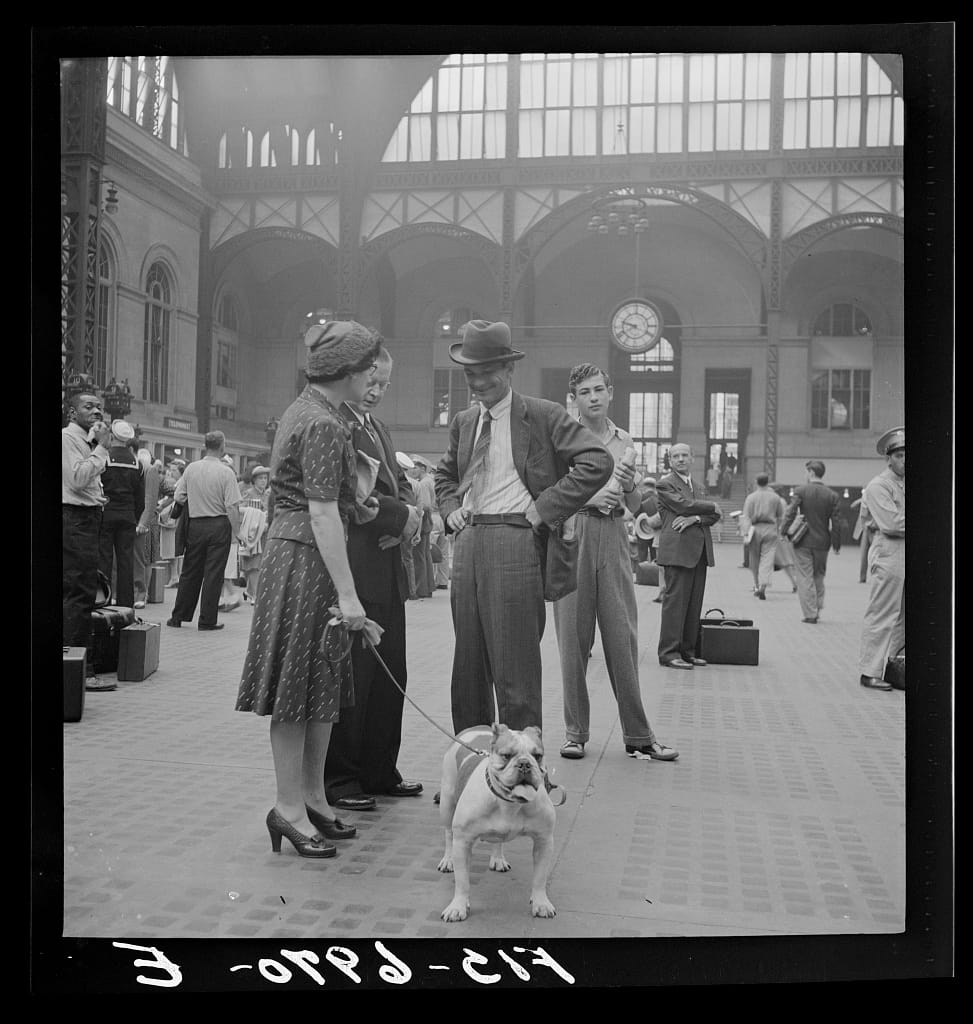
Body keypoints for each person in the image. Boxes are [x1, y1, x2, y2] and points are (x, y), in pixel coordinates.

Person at [236, 320, 382, 857]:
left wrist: (354, 502)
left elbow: (318, 499)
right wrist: (350, 597)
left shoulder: (311, 411)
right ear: (347, 370)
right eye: (368, 367)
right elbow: (319, 513)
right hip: (306, 560)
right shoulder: (324, 423)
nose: (372, 376)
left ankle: (314, 798)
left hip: (298, 556)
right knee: (297, 689)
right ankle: (288, 807)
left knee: (318, 686)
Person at [434, 319, 612, 733]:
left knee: (515, 664)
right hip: (469, 545)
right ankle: (475, 765)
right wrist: (449, 509)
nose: (477, 383)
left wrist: (545, 507)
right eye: (470, 374)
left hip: (516, 542)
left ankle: (522, 771)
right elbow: (444, 476)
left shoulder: (543, 415)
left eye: (486, 373)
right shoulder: (464, 422)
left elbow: (597, 462)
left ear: (509, 370)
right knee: (468, 665)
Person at [553, 364, 678, 762]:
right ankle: (575, 733)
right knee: (573, 638)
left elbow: (638, 503)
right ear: (574, 398)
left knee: (623, 635)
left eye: (598, 390)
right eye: (584, 391)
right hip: (573, 536)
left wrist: (627, 486)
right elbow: (546, 492)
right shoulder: (560, 436)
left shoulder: (625, 440)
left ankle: (638, 735)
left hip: (613, 538)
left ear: (610, 392)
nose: (592, 397)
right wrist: (589, 499)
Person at [324, 345, 425, 811]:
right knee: (353, 678)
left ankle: (380, 770)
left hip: (387, 572)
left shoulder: (378, 428)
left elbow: (401, 489)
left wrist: (406, 517)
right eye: (372, 383)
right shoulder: (334, 425)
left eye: (385, 384)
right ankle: (342, 779)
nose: (377, 392)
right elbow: (352, 497)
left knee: (391, 675)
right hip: (354, 569)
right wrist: (403, 518)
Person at [62, 389, 116, 692]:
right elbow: (78, 478)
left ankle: (77, 666)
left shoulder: (88, 442)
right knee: (79, 594)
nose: (96, 411)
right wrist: (100, 449)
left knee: (81, 591)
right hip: (76, 521)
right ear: (73, 413)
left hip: (87, 519)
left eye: (99, 407)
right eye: (88, 407)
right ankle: (80, 671)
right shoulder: (69, 439)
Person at [655, 443, 723, 669]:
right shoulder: (665, 484)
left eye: (685, 455)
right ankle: (668, 653)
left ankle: (688, 651)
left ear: (692, 458)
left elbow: (712, 517)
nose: (681, 459)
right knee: (675, 604)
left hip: (699, 554)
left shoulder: (700, 486)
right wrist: (710, 506)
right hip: (677, 553)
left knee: (694, 605)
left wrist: (695, 520)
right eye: (676, 456)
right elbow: (682, 505)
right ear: (670, 460)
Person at [167, 431, 242, 631]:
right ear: (222, 446)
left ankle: (178, 616)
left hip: (196, 526)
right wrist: (238, 532)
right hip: (218, 526)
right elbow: (232, 507)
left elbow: (179, 496)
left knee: (190, 571)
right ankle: (207, 619)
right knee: (213, 573)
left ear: (204, 445)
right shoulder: (226, 472)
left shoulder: (191, 469)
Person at [858, 428, 905, 691]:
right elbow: (892, 523)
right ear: (888, 458)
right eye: (899, 455)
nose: (905, 460)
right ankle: (869, 671)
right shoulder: (879, 485)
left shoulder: (906, 483)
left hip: (907, 550)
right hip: (889, 551)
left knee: (904, 617)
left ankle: (894, 667)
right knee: (883, 614)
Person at [781, 460, 841, 624]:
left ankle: (810, 613)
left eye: (806, 472)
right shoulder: (832, 495)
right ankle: (818, 607)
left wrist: (783, 531)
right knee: (819, 575)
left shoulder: (801, 491)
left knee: (804, 576)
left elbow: (790, 513)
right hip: (823, 543)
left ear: (811, 472)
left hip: (803, 540)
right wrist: (836, 544)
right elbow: (836, 522)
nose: (805, 475)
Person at [97, 420, 145, 610]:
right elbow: (140, 498)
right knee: (126, 561)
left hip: (106, 514)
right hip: (127, 516)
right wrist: (135, 515)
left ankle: (103, 600)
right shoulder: (137, 463)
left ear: (113, 436)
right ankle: (127, 603)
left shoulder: (104, 458)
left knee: (104, 559)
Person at [741, 473, 783, 600]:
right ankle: (763, 585)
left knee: (754, 559)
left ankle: (757, 584)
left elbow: (746, 516)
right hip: (771, 529)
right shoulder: (776, 498)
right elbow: (780, 515)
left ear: (756, 482)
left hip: (755, 529)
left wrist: (745, 532)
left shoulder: (751, 497)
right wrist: (778, 529)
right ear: (768, 482)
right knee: (767, 559)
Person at [132, 447, 161, 609]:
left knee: (145, 558)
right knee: (143, 558)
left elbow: (151, 498)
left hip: (146, 521)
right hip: (142, 519)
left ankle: (143, 592)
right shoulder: (142, 471)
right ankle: (142, 592)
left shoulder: (150, 472)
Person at [238, 465, 271, 603]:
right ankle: (255, 595)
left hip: (264, 533)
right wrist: (256, 514)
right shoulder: (249, 493)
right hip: (252, 533)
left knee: (261, 563)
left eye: (265, 478)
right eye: (260, 478)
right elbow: (239, 508)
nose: (263, 481)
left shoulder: (268, 494)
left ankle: (250, 592)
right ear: (254, 480)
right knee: (253, 564)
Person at [408, 456, 437, 597]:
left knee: (419, 556)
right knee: (425, 555)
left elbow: (424, 505)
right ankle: (428, 586)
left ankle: (420, 589)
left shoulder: (424, 483)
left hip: (423, 518)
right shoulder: (429, 480)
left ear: (423, 468)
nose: (412, 470)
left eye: (415, 467)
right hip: (427, 519)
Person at [158, 462, 183, 585]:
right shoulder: (178, 483)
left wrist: (161, 506)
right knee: (175, 549)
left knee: (172, 548)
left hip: (172, 518)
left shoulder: (179, 484)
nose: (171, 472)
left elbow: (176, 500)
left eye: (174, 470)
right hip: (176, 518)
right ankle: (175, 575)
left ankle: (174, 576)